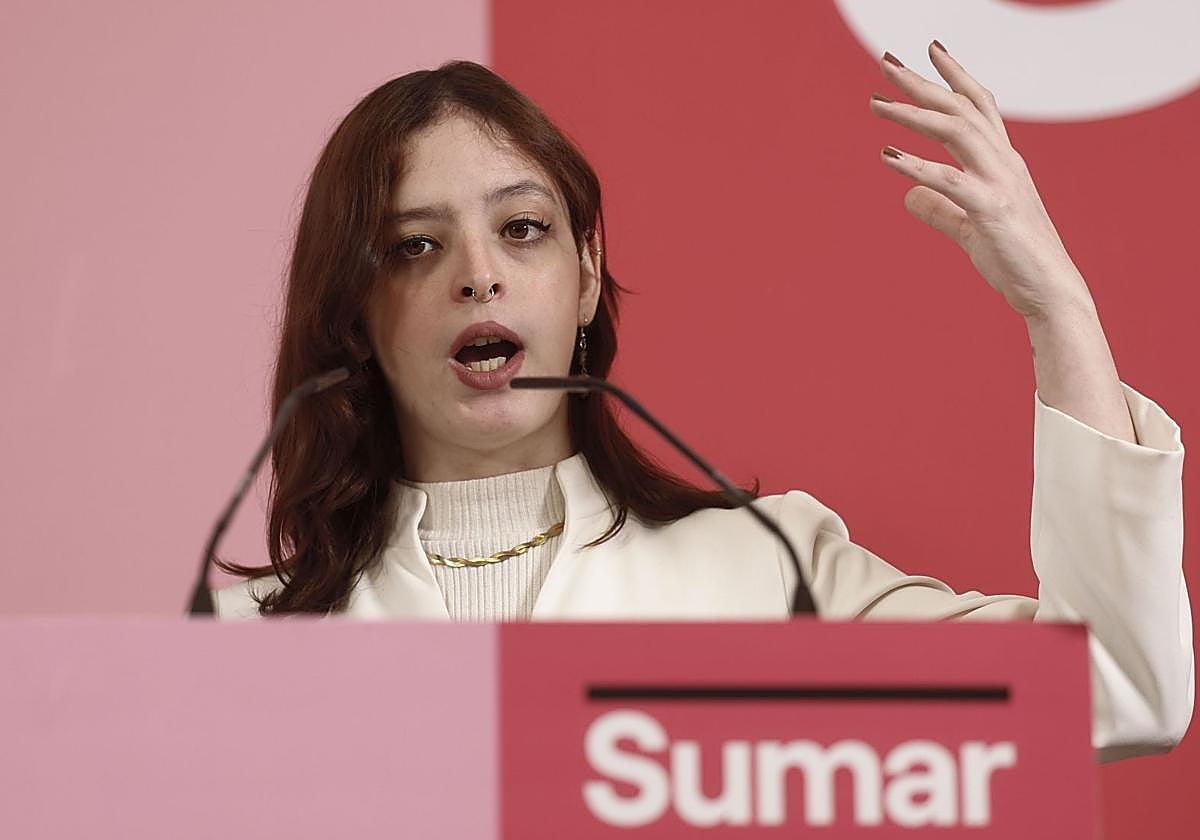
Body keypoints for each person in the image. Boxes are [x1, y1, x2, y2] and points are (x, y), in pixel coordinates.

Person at [211, 49, 1192, 763]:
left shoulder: (771, 568)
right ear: (354, 311)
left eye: (522, 229)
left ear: (586, 278)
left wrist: (1058, 310)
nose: (479, 276)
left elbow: (1117, 690)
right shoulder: (238, 651)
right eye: (416, 245)